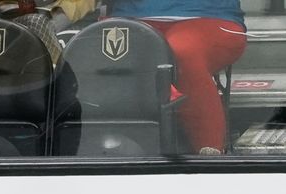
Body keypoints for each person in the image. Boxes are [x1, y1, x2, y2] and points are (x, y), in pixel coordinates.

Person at [105, 0, 245, 154]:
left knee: (182, 53)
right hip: (128, 16)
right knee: (97, 51)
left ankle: (210, 152)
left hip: (207, 16)